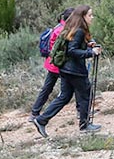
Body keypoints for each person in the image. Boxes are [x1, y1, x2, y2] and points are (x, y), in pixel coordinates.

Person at [33, 8, 101, 138]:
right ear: (82, 17)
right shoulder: (79, 31)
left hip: (64, 69)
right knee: (86, 94)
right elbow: (72, 50)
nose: (92, 17)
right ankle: (85, 125)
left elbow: (73, 47)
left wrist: (89, 45)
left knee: (64, 96)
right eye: (90, 15)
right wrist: (91, 53)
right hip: (75, 70)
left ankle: (41, 120)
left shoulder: (71, 28)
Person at [29, 12, 70, 119]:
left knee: (47, 88)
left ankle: (34, 112)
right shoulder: (63, 30)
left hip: (51, 64)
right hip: (60, 65)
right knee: (73, 88)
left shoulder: (58, 26)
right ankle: (80, 111)